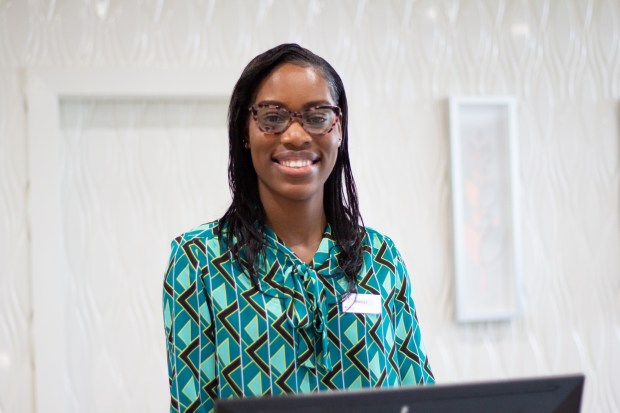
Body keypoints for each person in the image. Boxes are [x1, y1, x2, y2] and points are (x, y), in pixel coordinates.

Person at [163, 43, 434, 413]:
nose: (295, 136)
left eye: (317, 116)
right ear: (246, 131)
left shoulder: (382, 259)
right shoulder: (198, 261)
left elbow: (419, 401)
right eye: (272, 117)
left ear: (339, 129)